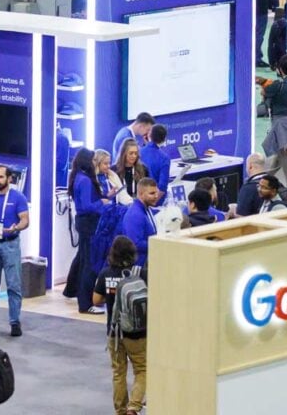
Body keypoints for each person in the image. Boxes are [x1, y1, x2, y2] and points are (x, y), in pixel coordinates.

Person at [95, 236, 147, 414]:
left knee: (119, 373)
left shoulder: (105, 274)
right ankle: (134, 406)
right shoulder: (140, 273)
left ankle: (121, 411)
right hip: (137, 332)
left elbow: (95, 300)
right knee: (142, 369)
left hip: (114, 332)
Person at [0, 165, 29, 336]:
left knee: (13, 285)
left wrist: (16, 227)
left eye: (1, 177)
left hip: (10, 244)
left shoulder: (18, 197)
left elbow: (25, 220)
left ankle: (15, 322)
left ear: (9, 179)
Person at [119, 177, 162, 267]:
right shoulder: (135, 215)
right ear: (141, 194)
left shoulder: (147, 209)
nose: (156, 196)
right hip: (139, 266)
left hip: (146, 262)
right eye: (152, 193)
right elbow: (135, 243)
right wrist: (158, 244)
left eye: (156, 193)